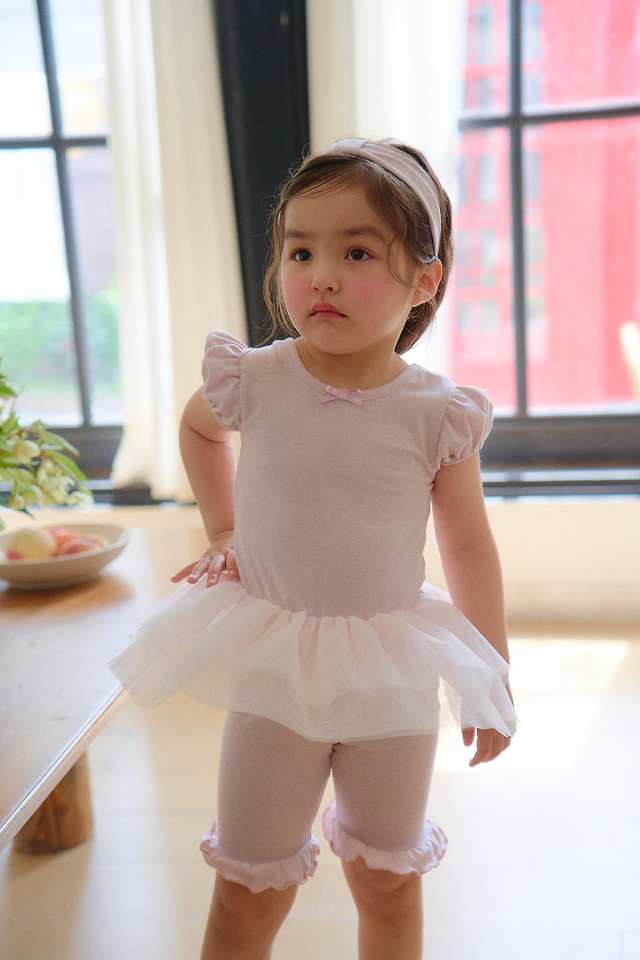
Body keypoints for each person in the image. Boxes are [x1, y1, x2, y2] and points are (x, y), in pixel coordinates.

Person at [109, 135, 518, 960]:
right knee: (248, 887)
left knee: (387, 880)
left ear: (425, 280)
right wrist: (224, 530)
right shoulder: (256, 379)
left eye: (356, 252)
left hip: (389, 674)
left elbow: (469, 546)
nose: (321, 275)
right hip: (276, 667)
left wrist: (491, 677)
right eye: (301, 251)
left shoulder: (436, 413)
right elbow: (197, 430)